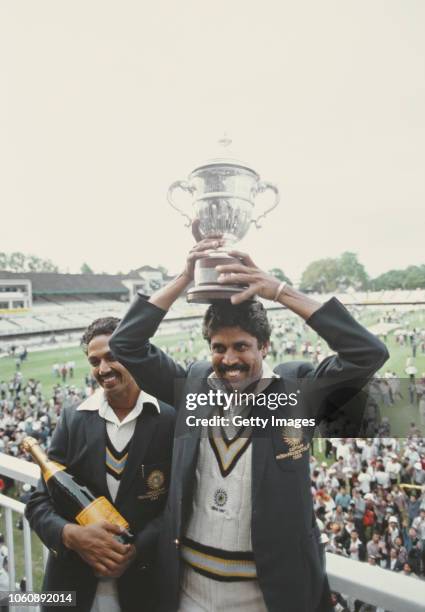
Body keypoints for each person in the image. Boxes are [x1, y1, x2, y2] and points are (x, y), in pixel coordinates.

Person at [110, 237, 389, 612]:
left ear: (264, 347)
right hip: (188, 591)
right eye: (219, 348)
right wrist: (183, 278)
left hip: (265, 597)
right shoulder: (192, 383)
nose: (229, 360)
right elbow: (126, 343)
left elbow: (367, 352)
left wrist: (279, 291)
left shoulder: (296, 392)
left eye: (241, 346)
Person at [25, 317, 175, 612]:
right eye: (95, 361)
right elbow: (39, 502)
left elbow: (176, 506)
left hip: (143, 589)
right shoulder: (73, 419)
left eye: (112, 356)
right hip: (71, 589)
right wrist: (71, 535)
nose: (103, 369)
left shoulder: (168, 419)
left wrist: (137, 548)